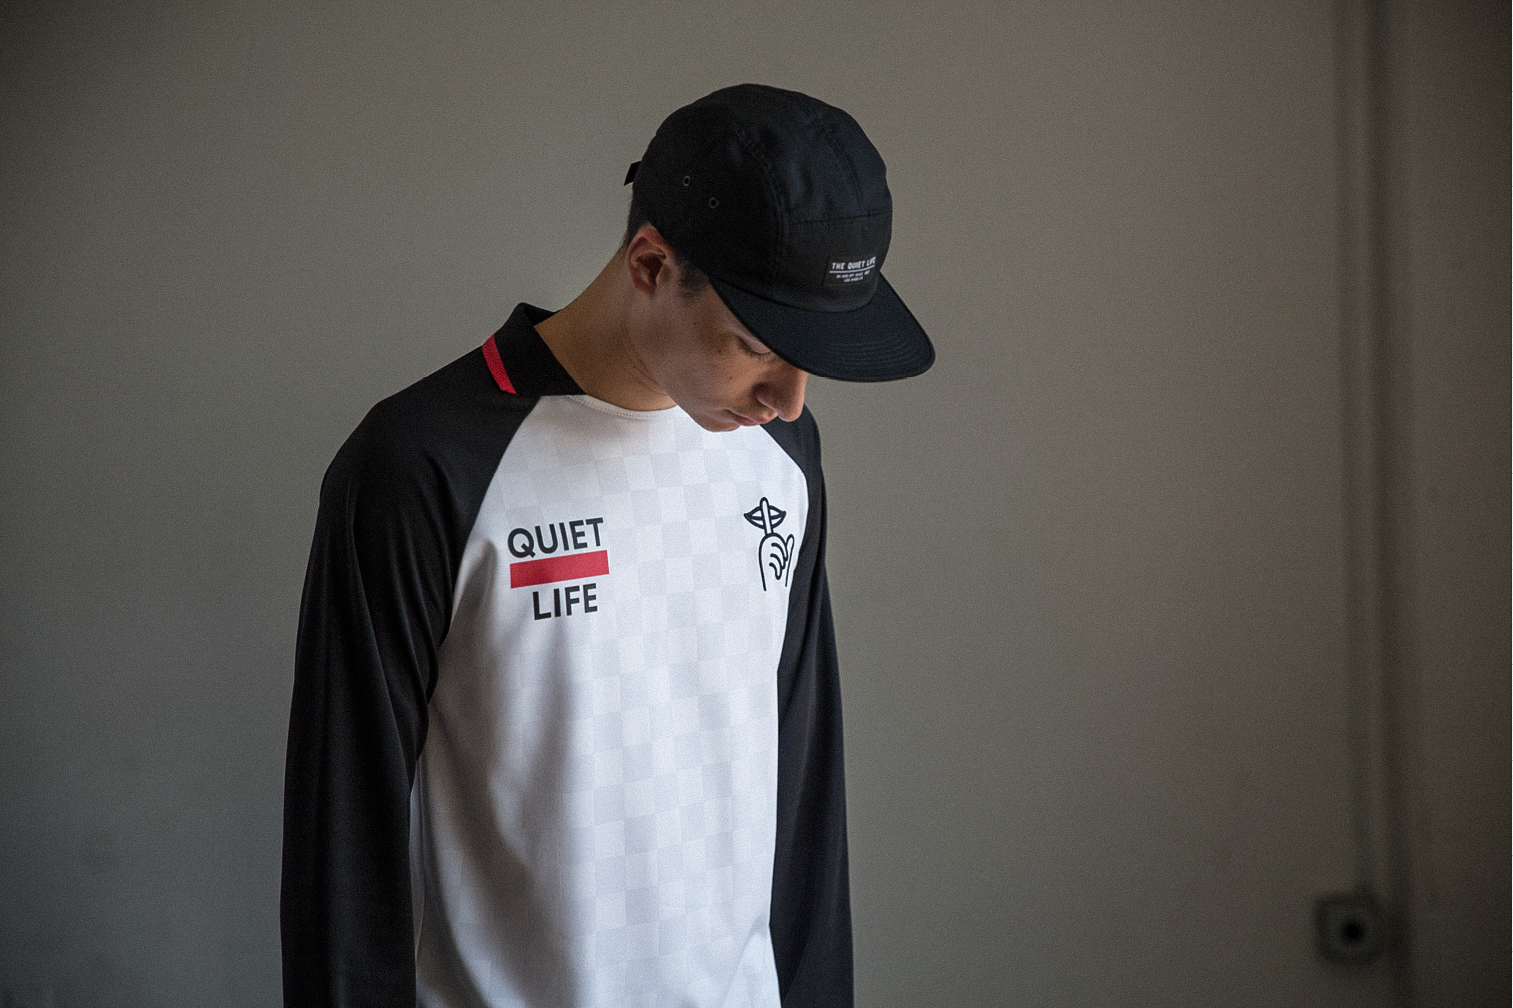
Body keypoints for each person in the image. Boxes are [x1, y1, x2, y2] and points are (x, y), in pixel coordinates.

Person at [280, 82, 935, 1008]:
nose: (787, 400)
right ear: (650, 263)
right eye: (757, 345)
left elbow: (802, 789)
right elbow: (344, 841)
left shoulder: (782, 457)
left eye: (812, 358)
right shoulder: (424, 463)